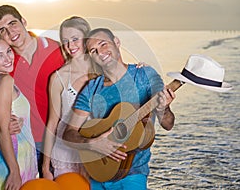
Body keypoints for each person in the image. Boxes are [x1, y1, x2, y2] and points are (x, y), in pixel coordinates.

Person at [62, 28, 176, 189]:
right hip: (97, 174)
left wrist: (165, 108)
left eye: (103, 44)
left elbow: (168, 124)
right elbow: (68, 133)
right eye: (93, 51)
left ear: (116, 42)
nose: (100, 52)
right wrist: (91, 144)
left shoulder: (145, 75)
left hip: (133, 176)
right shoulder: (91, 88)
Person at [0, 5, 65, 177]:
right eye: (3, 30)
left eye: (13, 23)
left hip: (59, 142)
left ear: (23, 21)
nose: (10, 32)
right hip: (27, 144)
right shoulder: (3, 61)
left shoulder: (56, 49)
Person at [0, 33, 37, 189]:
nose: (8, 58)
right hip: (13, 163)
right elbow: (2, 128)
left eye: (8, 51)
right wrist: (14, 170)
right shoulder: (5, 81)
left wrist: (21, 121)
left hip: (11, 160)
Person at [42, 16, 99, 180]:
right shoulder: (58, 78)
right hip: (65, 154)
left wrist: (139, 69)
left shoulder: (104, 70)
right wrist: (45, 168)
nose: (70, 46)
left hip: (95, 152)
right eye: (65, 40)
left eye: (75, 39)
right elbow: (52, 124)